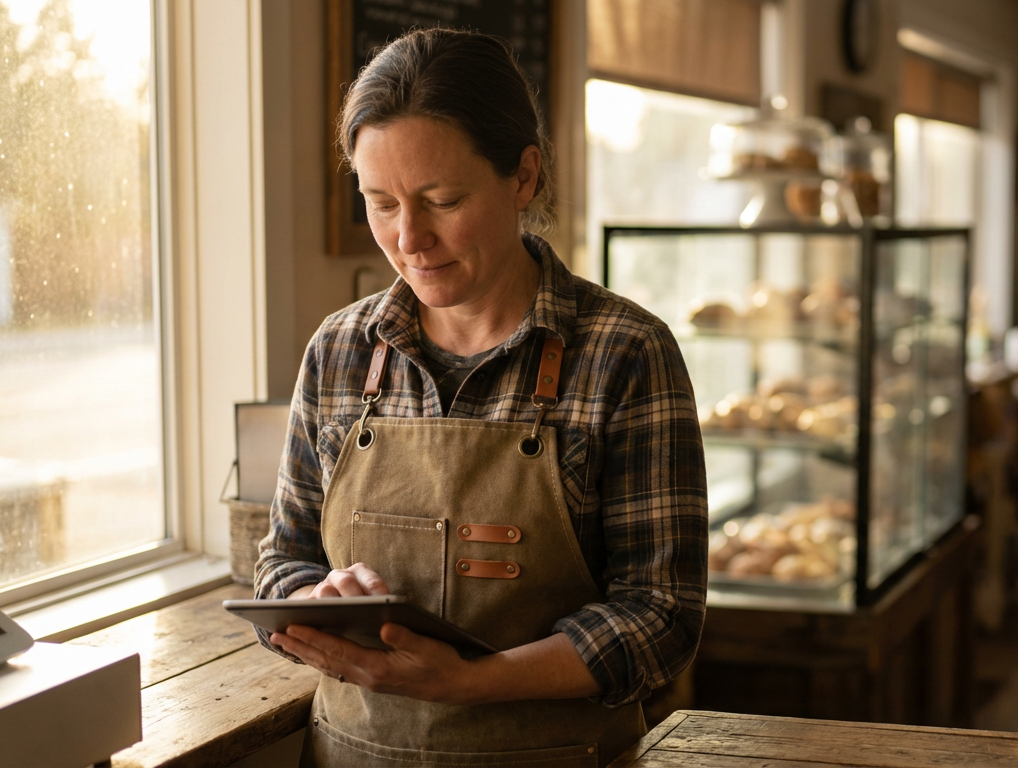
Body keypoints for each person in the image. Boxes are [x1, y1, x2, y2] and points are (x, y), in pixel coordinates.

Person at [253, 28, 708, 767]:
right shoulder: (339, 353)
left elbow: (661, 617)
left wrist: (475, 683)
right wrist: (319, 602)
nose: (410, 239)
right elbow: (281, 564)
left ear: (523, 177)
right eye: (381, 203)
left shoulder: (625, 354)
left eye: (442, 199)